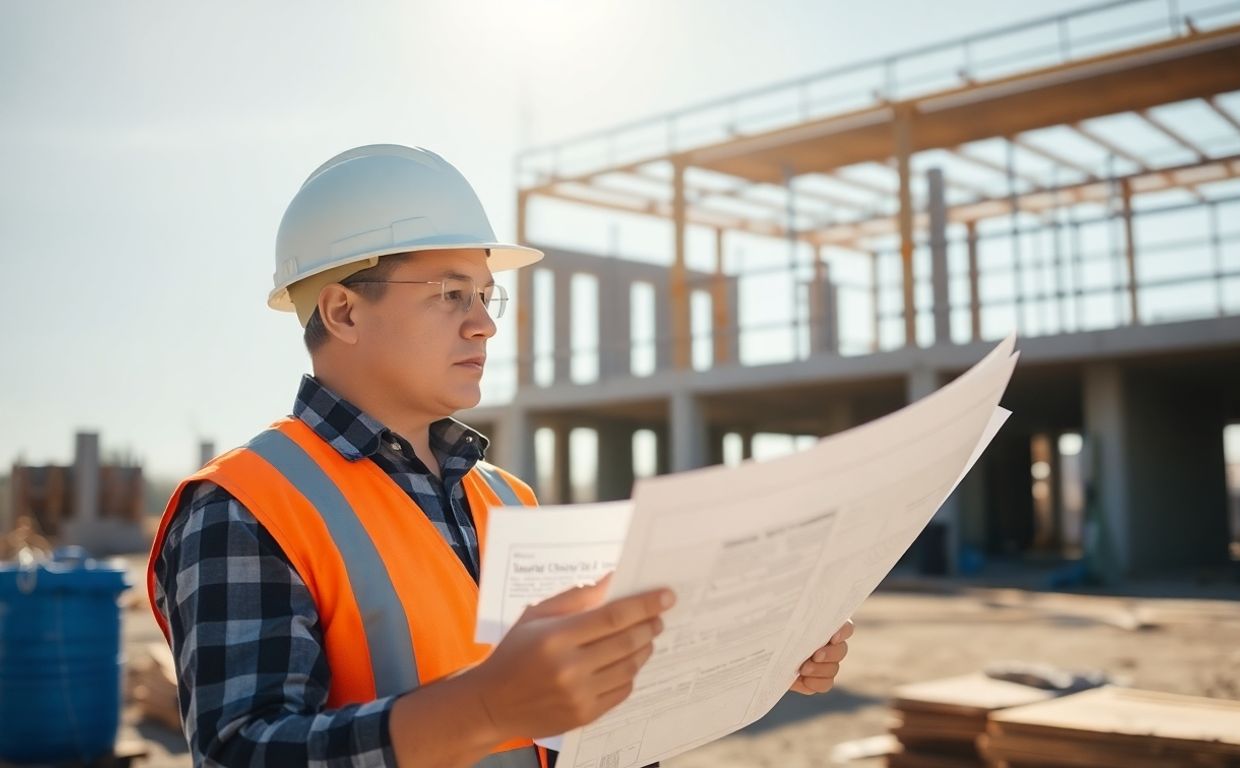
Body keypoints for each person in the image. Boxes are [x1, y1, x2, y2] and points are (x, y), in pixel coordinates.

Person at [147, 144, 854, 768]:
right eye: (452, 292)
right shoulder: (245, 505)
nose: (484, 321)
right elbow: (243, 752)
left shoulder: (510, 501)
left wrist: (752, 656)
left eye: (487, 294)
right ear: (343, 312)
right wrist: (483, 710)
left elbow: (585, 717)